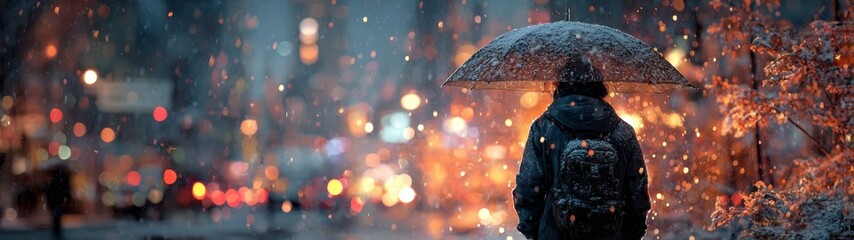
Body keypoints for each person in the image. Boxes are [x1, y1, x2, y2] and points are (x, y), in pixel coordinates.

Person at [513, 60, 651, 240]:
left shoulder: (543, 128)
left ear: (559, 86)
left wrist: (534, 231)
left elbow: (528, 188)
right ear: (600, 87)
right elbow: (638, 192)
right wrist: (631, 233)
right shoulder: (623, 132)